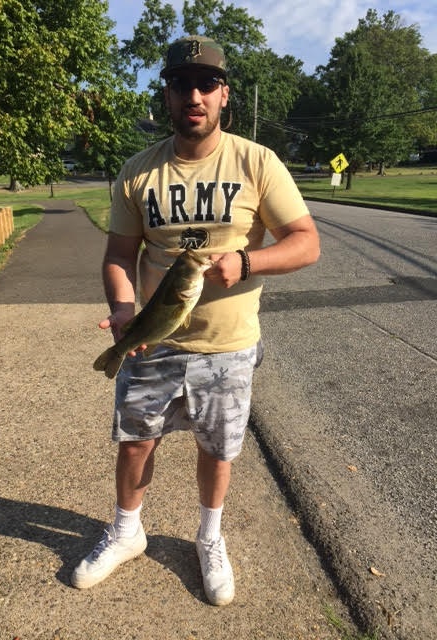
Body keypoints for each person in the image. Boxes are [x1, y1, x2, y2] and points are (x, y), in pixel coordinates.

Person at [71, 35, 320, 605]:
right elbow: (118, 255)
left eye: (206, 84)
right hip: (150, 343)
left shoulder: (257, 162)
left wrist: (248, 260)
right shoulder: (138, 172)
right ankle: (128, 531)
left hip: (228, 345)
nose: (195, 95)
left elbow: (306, 244)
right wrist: (122, 307)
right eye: (182, 84)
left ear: (224, 94)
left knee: (218, 449)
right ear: (168, 94)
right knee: (136, 442)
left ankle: (209, 538)